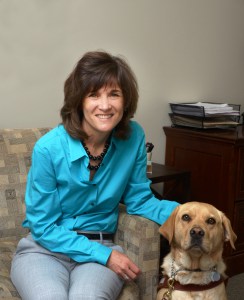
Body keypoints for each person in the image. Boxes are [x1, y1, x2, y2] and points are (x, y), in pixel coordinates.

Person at [11, 50, 179, 300]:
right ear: (79, 101)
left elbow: (140, 200)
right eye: (94, 95)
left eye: (114, 94)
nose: (105, 105)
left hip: (101, 246)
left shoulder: (133, 137)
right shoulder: (48, 149)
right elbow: (44, 226)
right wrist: (107, 257)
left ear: (126, 100)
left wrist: (192, 215)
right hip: (44, 251)